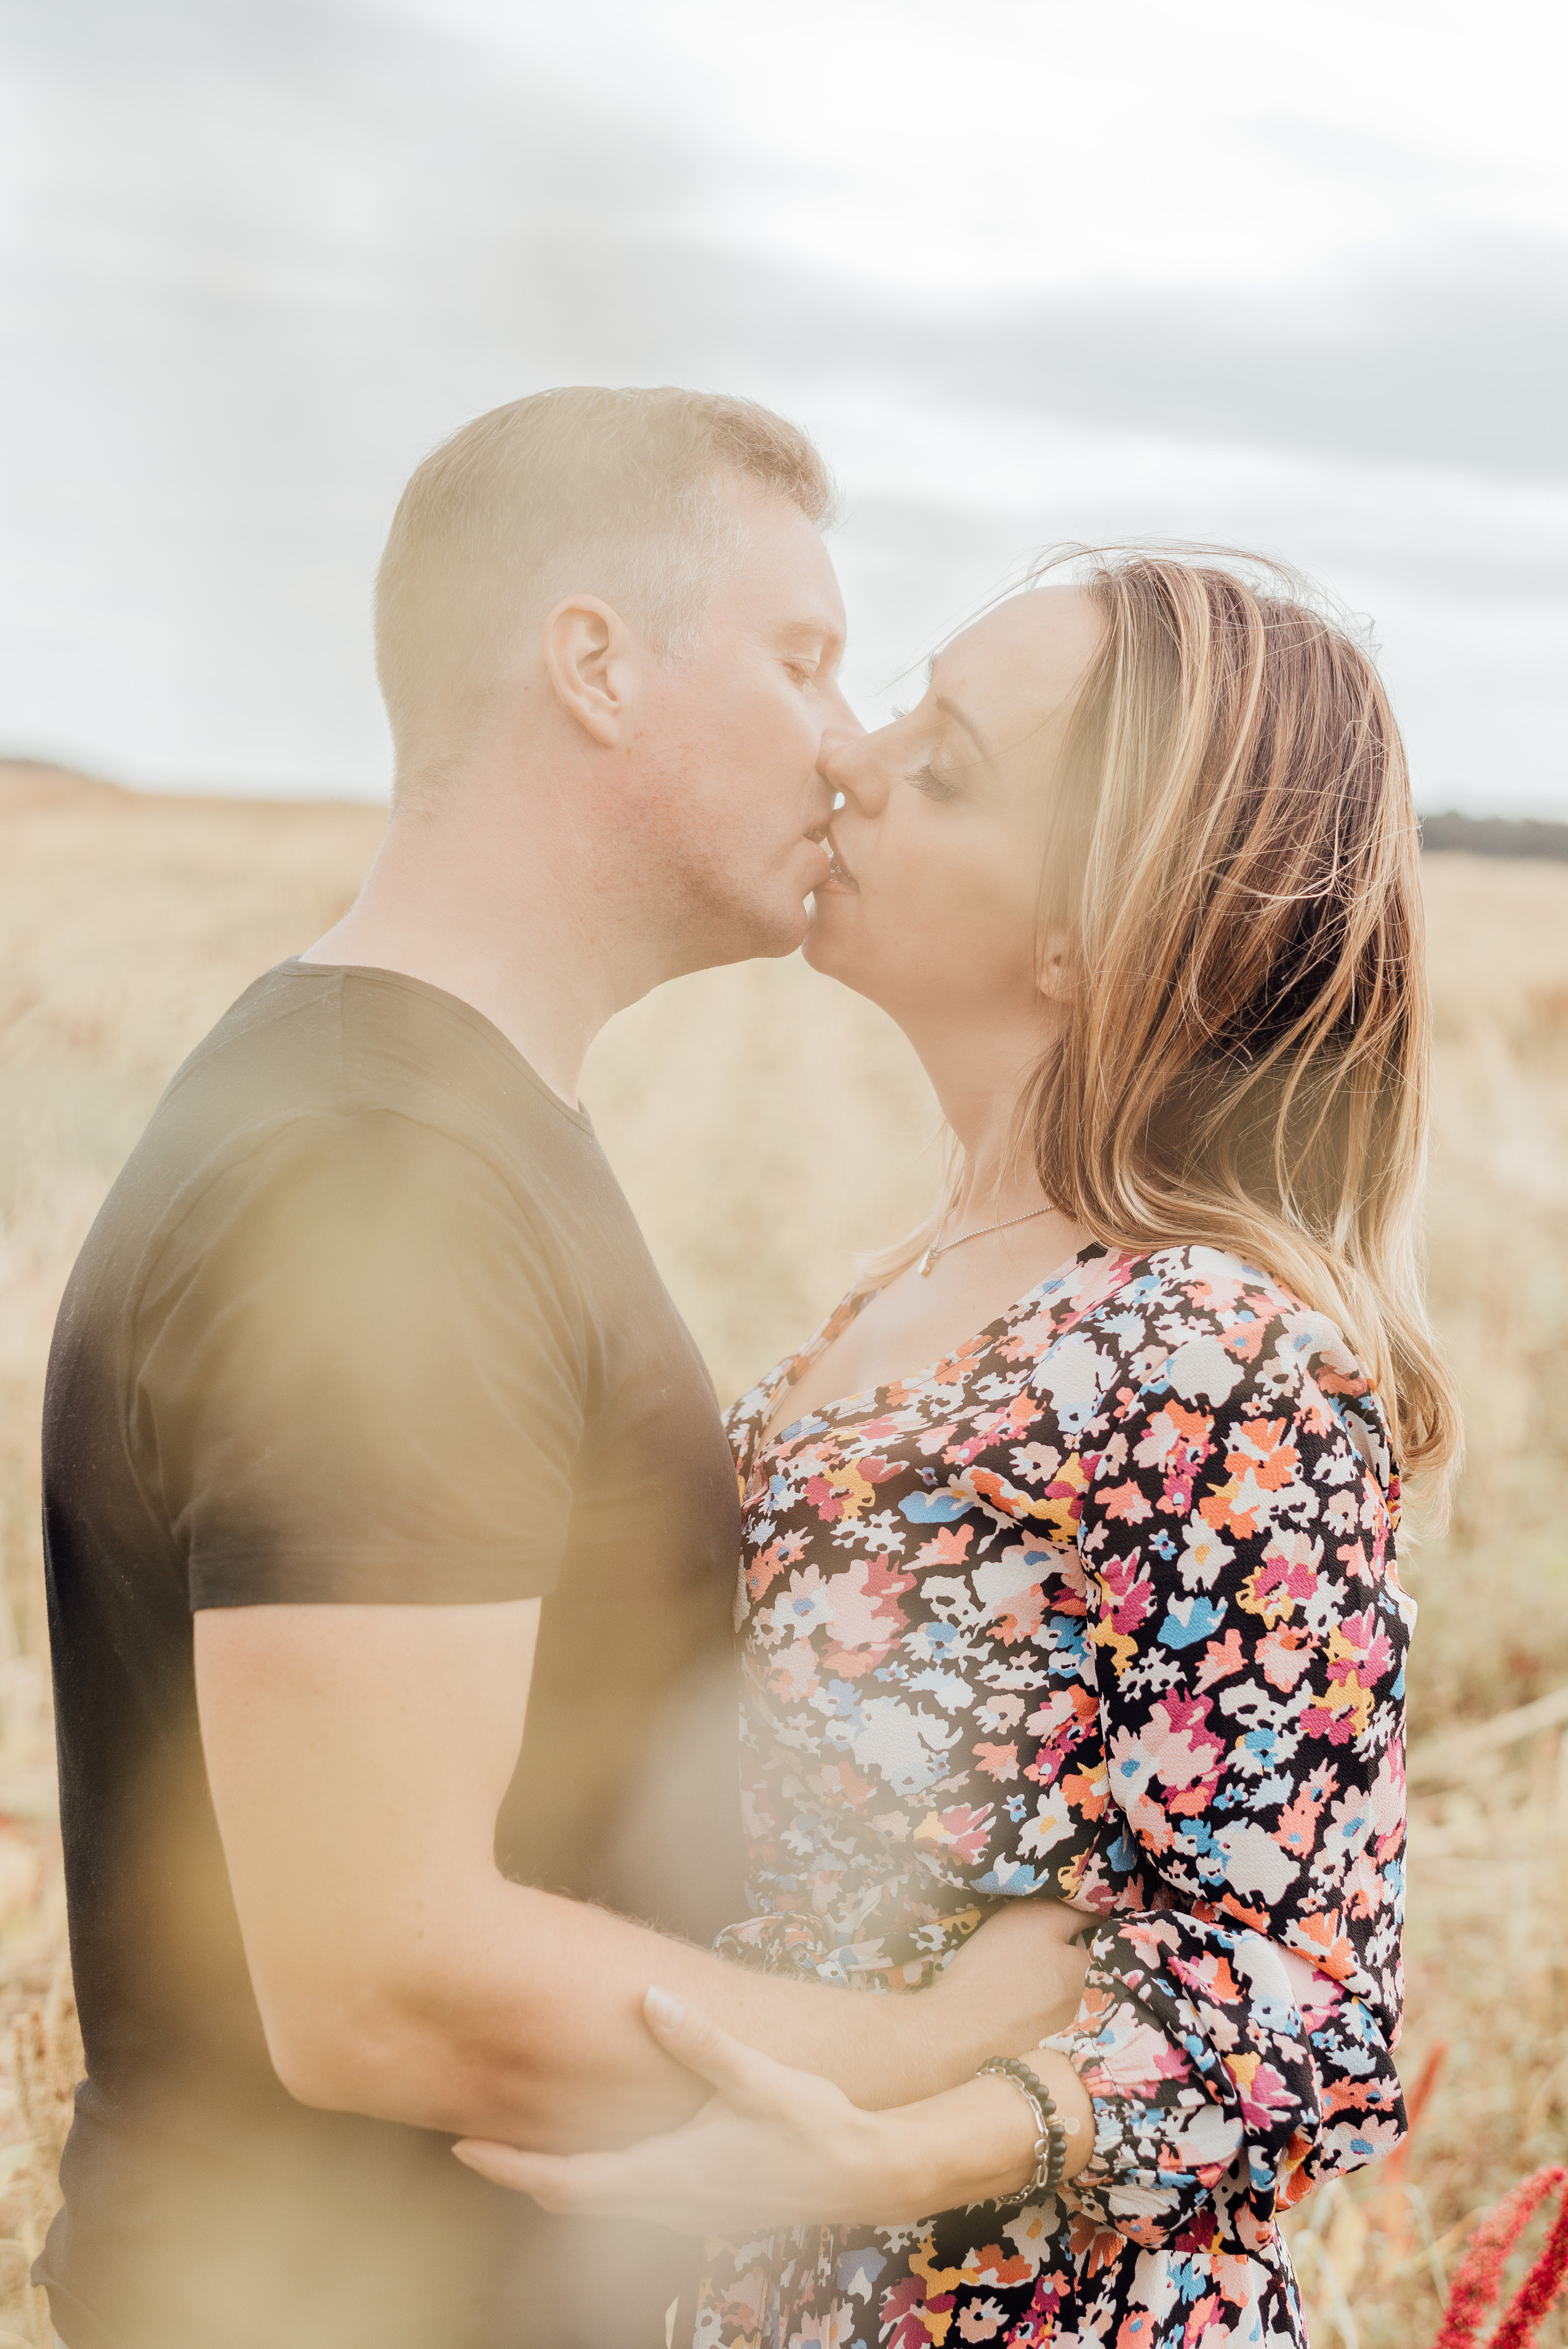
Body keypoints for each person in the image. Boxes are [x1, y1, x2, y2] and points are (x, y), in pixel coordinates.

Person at [36, 389, 1086, 2349]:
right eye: (801, 660)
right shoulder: (388, 1176)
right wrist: (932, 2052)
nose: (848, 741)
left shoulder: (425, 1116)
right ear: (594, 664)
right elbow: (383, 1981)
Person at [456, 552, 1461, 2348]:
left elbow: (1304, 2001)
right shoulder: (918, 1291)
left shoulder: (1206, 1355)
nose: (855, 756)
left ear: (1096, 926)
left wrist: (895, 2151)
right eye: (905, 704)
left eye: (950, 761)